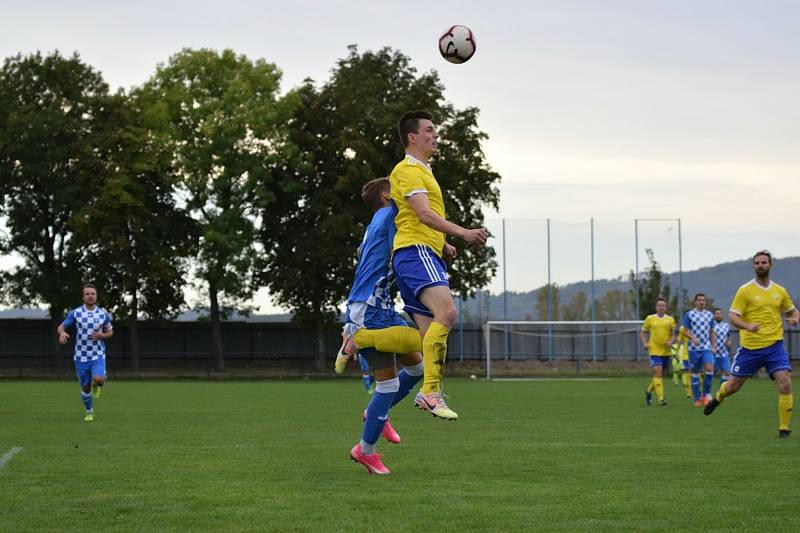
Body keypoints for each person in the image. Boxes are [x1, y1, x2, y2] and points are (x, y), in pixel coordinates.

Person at [388, 110, 488, 420]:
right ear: (412, 137)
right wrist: (462, 232)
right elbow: (423, 215)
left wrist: (442, 244)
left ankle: (379, 412)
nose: (436, 135)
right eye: (429, 130)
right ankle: (429, 392)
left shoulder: (424, 171)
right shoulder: (407, 170)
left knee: (430, 336)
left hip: (419, 252)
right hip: (415, 253)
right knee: (448, 312)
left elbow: (411, 215)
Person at [339, 177, 426, 475]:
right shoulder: (390, 216)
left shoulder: (375, 222)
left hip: (381, 308)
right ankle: (365, 451)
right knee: (387, 385)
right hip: (371, 311)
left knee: (418, 369)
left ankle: (378, 411)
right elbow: (404, 256)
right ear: (389, 196)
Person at [704, 251, 799, 437]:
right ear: (753, 266)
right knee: (733, 387)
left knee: (785, 383)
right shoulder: (745, 290)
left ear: (770, 265)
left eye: (764, 262)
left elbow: (793, 311)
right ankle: (718, 397)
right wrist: (748, 325)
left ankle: (784, 429)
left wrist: (795, 319)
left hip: (774, 346)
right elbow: (732, 316)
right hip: (750, 348)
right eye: (757, 263)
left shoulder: (779, 291)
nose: (760, 265)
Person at [57, 284, 113, 422]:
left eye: (92, 293)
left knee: (99, 380)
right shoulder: (75, 313)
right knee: (85, 387)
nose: (90, 296)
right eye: (87, 294)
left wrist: (102, 336)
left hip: (97, 354)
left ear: (96, 296)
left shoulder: (103, 314)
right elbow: (61, 326)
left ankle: (97, 384)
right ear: (83, 297)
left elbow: (110, 332)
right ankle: (89, 411)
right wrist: (62, 333)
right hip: (81, 356)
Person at [683, 293, 717, 407]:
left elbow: (712, 331)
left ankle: (706, 395)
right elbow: (685, 331)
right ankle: (697, 398)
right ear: (695, 302)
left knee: (709, 368)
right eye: (699, 300)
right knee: (695, 373)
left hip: (706, 347)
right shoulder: (689, 314)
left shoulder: (710, 315)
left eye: (703, 300)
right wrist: (692, 338)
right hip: (693, 349)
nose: (702, 302)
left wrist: (714, 346)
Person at [641, 297, 676, 406]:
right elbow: (643, 331)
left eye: (663, 305)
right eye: (659, 305)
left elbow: (673, 334)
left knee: (659, 375)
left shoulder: (670, 319)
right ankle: (661, 398)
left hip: (665, 351)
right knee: (658, 372)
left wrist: (671, 341)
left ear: (666, 307)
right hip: (654, 350)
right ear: (656, 307)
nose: (661, 307)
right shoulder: (650, 318)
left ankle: (648, 391)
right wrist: (645, 343)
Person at [711, 307, 732, 392]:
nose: (718, 315)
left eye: (720, 314)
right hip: (713, 354)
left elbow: (728, 336)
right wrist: (712, 347)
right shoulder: (710, 325)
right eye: (716, 314)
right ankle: (706, 392)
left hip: (724, 353)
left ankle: (720, 390)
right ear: (714, 315)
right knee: (710, 374)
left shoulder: (726, 325)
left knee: (727, 372)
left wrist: (729, 341)